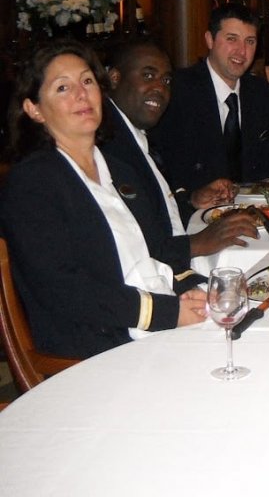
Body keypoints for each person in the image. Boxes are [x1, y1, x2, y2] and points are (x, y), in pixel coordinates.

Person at [0, 40, 208, 359]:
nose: (81, 94)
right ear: (34, 109)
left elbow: (156, 249)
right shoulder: (32, 183)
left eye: (87, 81)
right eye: (63, 87)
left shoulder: (119, 170)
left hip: (156, 327)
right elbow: (65, 290)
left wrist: (195, 290)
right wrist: (168, 313)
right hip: (97, 352)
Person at [103, 39, 258, 258]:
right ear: (115, 78)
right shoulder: (108, 146)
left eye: (166, 80)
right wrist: (195, 244)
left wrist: (191, 200)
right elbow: (127, 249)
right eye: (148, 76)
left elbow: (152, 212)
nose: (160, 88)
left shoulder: (131, 134)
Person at [150, 3, 269, 215]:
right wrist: (191, 198)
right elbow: (162, 169)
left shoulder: (262, 94)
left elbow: (266, 171)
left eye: (250, 41)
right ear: (210, 40)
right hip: (192, 213)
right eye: (231, 39)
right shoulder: (178, 92)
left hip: (253, 212)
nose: (241, 51)